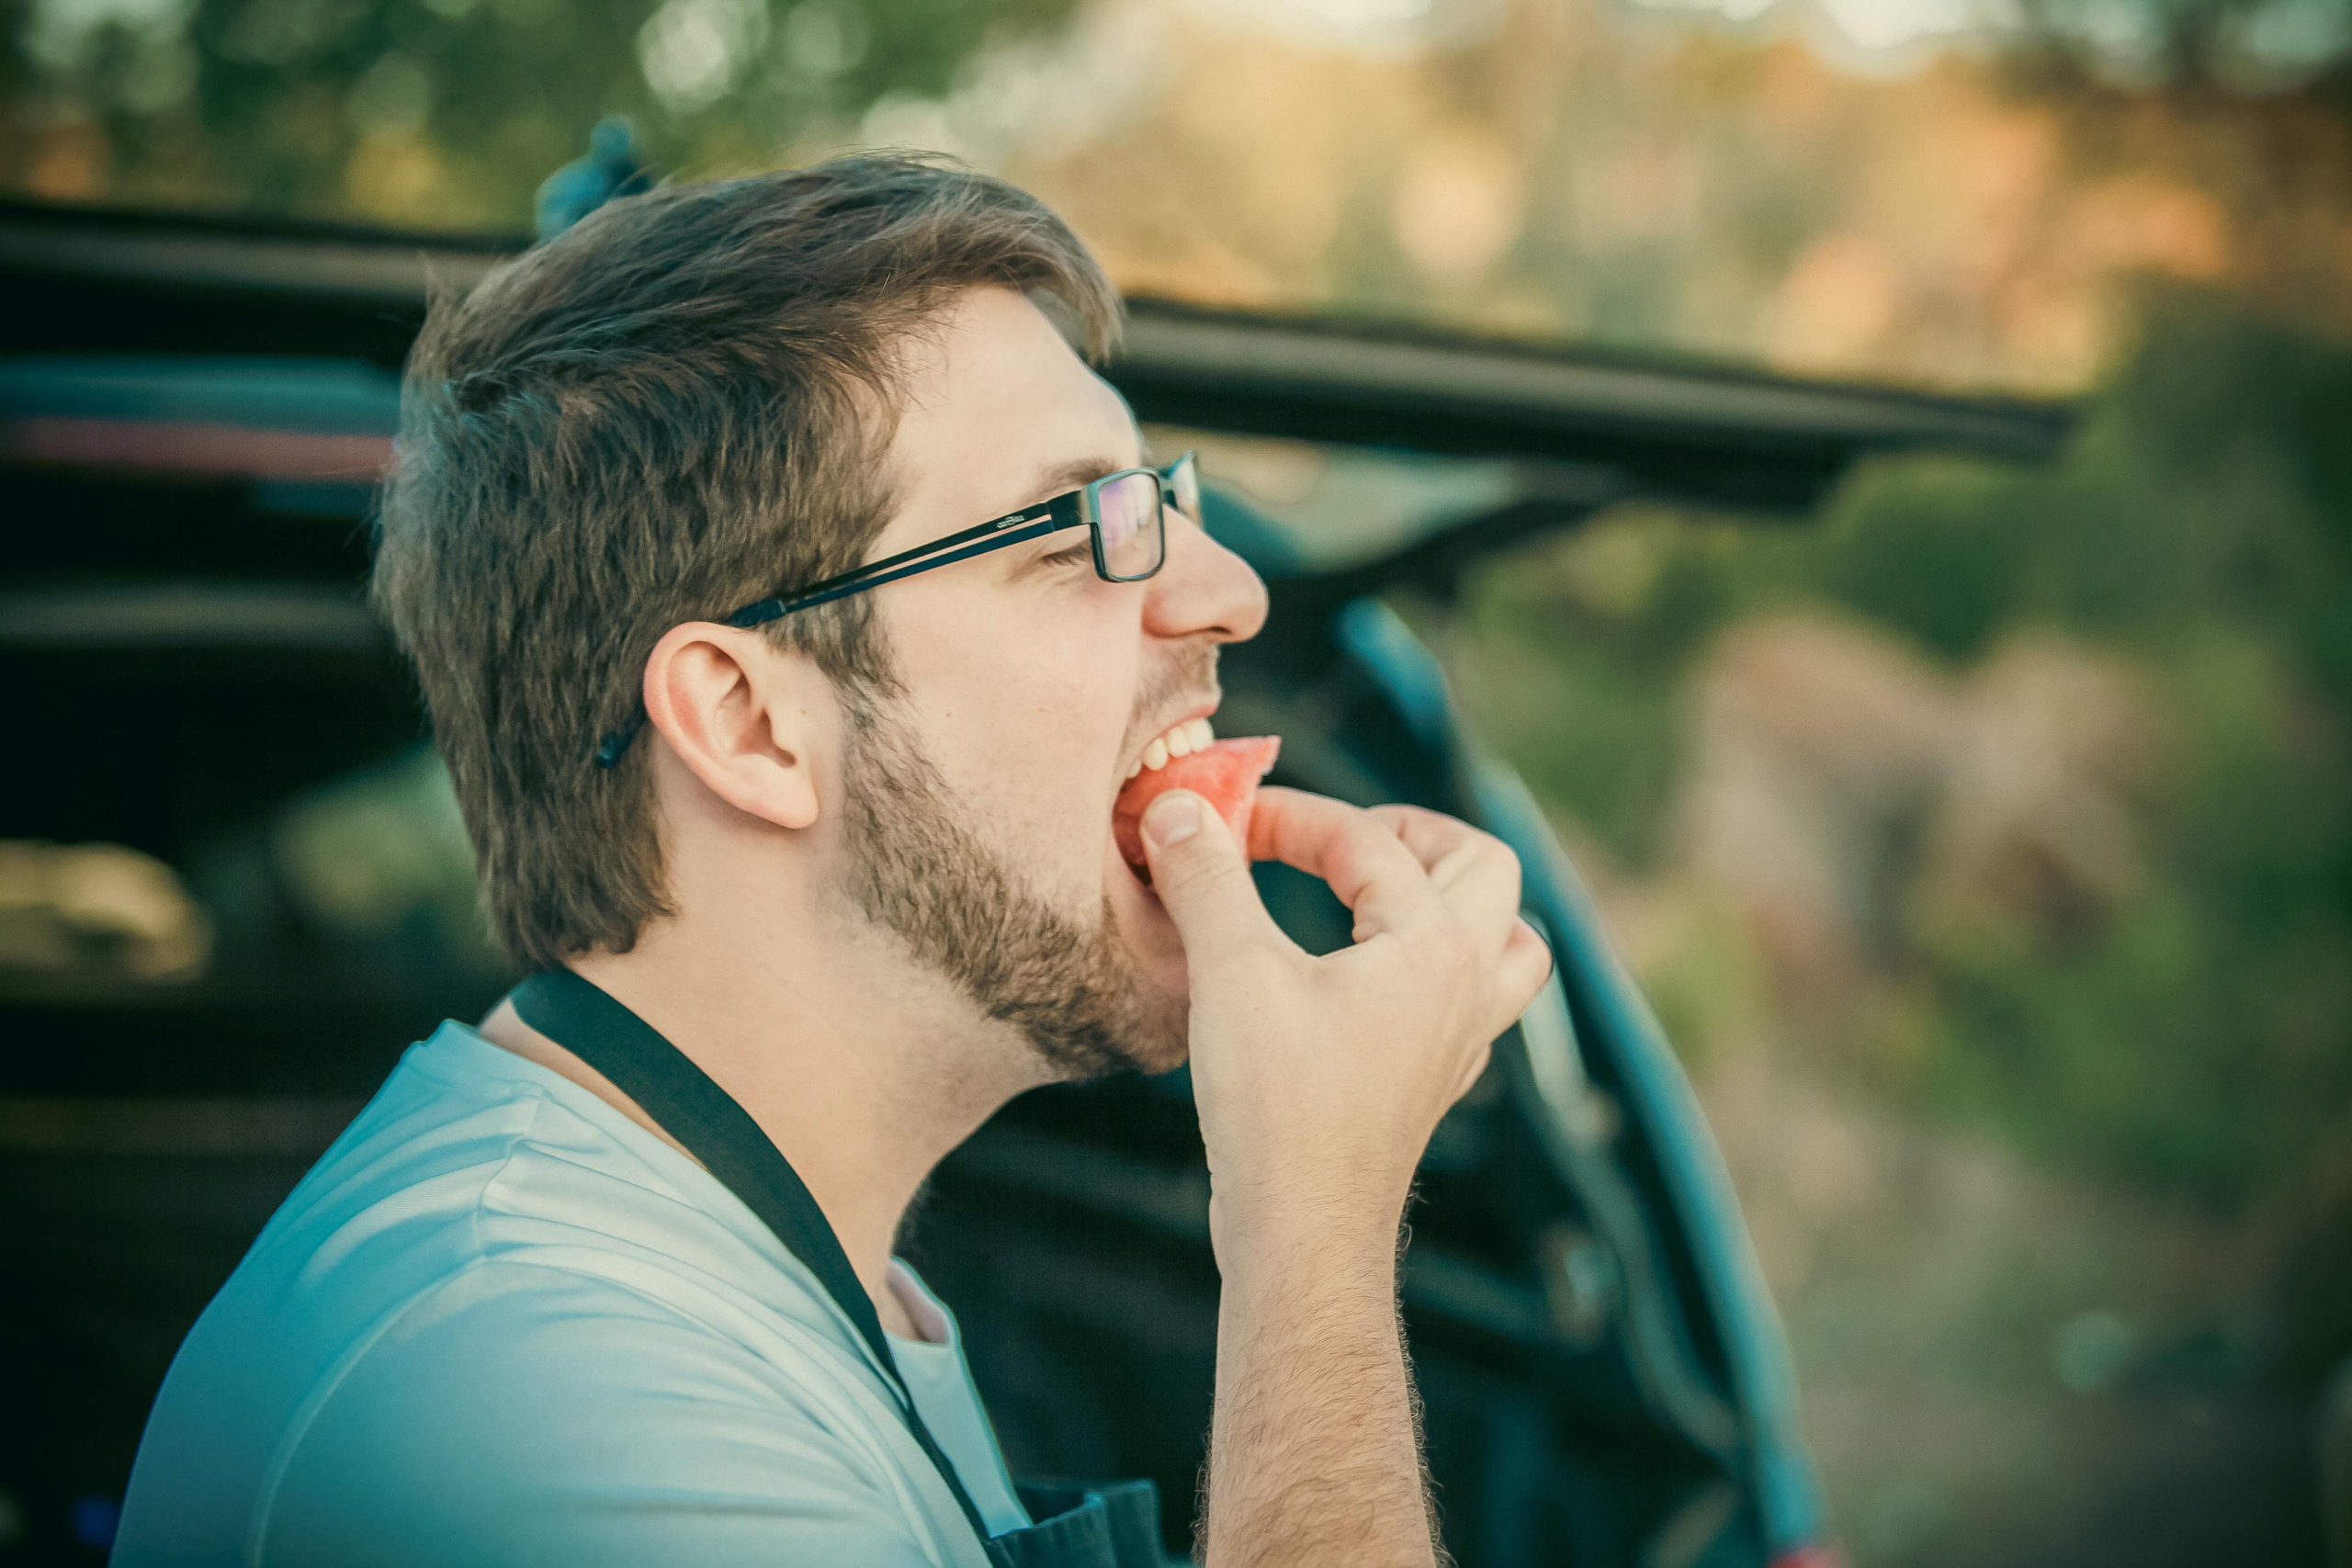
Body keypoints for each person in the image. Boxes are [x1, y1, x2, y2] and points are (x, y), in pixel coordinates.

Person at [112, 152, 1551, 1568]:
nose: (1229, 593)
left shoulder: (795, 1285)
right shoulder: (541, 1394)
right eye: (1080, 531)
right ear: (748, 723)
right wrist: (1314, 1228)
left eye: (1166, 500)